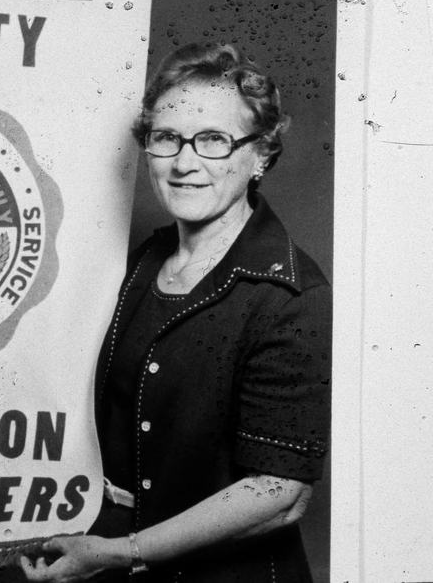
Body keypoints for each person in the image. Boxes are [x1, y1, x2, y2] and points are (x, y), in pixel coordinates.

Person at [21, 44, 330, 582]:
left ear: (260, 154)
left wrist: (119, 552)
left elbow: (280, 494)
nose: (185, 163)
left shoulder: (289, 294)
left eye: (213, 140)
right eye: (167, 138)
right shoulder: (139, 263)